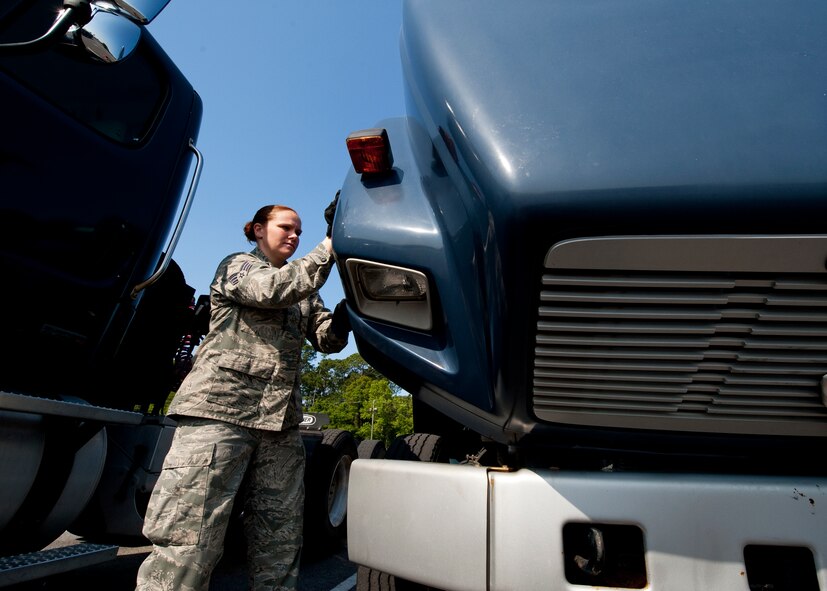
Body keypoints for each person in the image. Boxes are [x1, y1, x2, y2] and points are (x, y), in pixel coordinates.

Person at [136, 201, 350, 591]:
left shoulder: (303, 288)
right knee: (189, 539)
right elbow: (273, 291)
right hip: (220, 417)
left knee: (280, 539)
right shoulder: (238, 266)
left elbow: (326, 339)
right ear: (256, 230)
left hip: (279, 427)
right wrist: (331, 245)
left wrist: (347, 315)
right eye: (286, 227)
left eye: (299, 231)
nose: (295, 236)